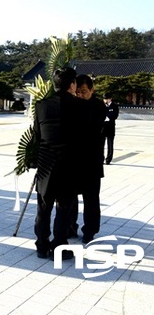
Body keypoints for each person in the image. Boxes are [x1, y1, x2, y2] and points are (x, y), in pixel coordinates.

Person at [33, 67, 87, 259]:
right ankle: (59, 247)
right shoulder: (81, 106)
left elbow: (37, 136)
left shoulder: (41, 105)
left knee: (43, 207)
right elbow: (85, 139)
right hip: (69, 165)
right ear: (72, 85)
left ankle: (41, 246)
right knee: (63, 209)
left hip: (46, 164)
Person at [68, 74, 107, 243]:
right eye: (77, 92)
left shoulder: (99, 106)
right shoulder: (72, 104)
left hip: (92, 160)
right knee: (70, 197)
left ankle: (90, 230)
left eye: (84, 91)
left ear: (92, 89)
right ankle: (70, 226)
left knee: (91, 198)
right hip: (73, 160)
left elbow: (89, 127)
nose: (80, 95)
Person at [102, 92, 119, 165]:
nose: (105, 101)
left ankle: (108, 159)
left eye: (107, 99)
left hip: (110, 128)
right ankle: (100, 159)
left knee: (110, 144)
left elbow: (115, 115)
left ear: (110, 99)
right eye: (104, 99)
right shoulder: (101, 105)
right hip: (102, 128)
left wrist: (108, 117)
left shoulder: (114, 106)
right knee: (100, 145)